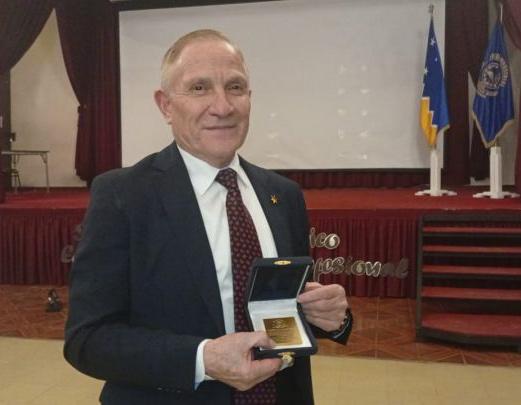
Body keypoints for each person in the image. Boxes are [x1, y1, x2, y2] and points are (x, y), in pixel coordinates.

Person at [64, 29, 351, 405]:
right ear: (166, 105)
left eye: (235, 87)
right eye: (199, 88)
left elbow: (285, 310)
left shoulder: (283, 195)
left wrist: (330, 317)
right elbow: (88, 340)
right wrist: (202, 359)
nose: (223, 106)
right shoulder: (123, 196)